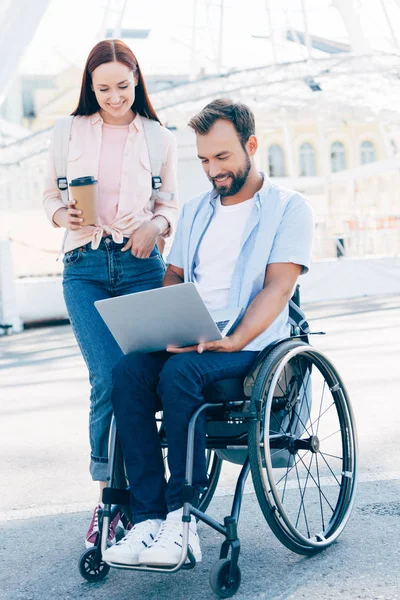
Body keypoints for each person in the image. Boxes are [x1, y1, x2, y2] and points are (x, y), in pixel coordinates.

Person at [103, 99, 314, 566]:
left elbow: (279, 289)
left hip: (254, 345)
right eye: (203, 160)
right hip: (195, 336)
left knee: (181, 373)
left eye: (222, 157)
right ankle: (148, 520)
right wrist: (169, 323)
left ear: (251, 146)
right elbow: (174, 276)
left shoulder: (288, 208)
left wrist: (234, 339)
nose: (212, 169)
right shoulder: (197, 211)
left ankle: (184, 519)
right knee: (128, 373)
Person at [42, 39, 178, 548]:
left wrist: (157, 224)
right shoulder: (67, 130)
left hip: (143, 266)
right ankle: (109, 500)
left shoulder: (159, 136)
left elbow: (172, 203)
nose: (114, 97)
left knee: (144, 380)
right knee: (105, 379)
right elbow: (49, 195)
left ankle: (156, 493)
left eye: (123, 86)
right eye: (103, 89)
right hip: (85, 267)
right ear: (90, 86)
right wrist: (63, 215)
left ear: (137, 80)